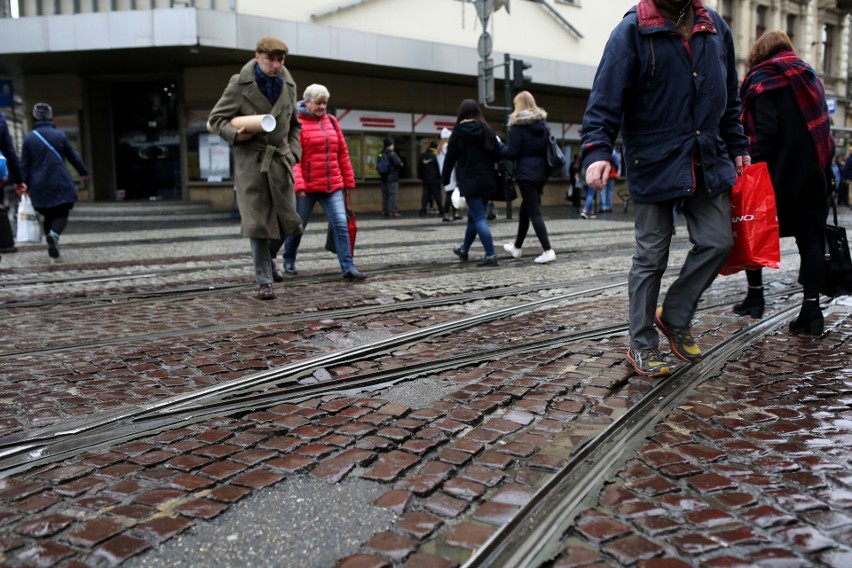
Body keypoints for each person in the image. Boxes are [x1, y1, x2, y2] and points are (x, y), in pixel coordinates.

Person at [581, 0, 751, 377]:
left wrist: (737, 145)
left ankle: (673, 314)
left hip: (707, 157)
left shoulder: (714, 26)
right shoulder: (633, 30)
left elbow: (729, 96)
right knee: (651, 256)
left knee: (718, 241)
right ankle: (641, 344)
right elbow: (605, 96)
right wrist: (597, 150)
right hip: (654, 160)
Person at [732, 30, 833, 336]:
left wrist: (752, 169)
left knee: (753, 231)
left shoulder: (761, 80)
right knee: (810, 241)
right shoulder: (809, 78)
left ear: (758, 54)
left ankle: (756, 297)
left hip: (777, 174)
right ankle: (812, 311)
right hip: (813, 175)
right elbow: (823, 129)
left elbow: (768, 131)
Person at [208, 36, 303, 300]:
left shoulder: (289, 84)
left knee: (289, 222)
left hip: (281, 160)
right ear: (257, 56)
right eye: (270, 59)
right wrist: (234, 135)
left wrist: (294, 152)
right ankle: (264, 281)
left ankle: (270, 258)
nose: (276, 65)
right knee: (258, 224)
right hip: (252, 162)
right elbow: (216, 119)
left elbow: (296, 125)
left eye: (280, 60)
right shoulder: (240, 83)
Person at [282, 84, 366, 281]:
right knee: (298, 226)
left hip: (332, 185)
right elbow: (295, 158)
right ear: (307, 102)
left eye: (325, 103)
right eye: (318, 103)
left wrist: (348, 180)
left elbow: (342, 153)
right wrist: (299, 184)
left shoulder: (332, 121)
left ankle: (348, 267)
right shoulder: (297, 123)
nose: (322, 107)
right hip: (308, 187)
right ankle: (288, 257)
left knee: (340, 223)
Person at [20, 103, 89, 260]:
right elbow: (73, 156)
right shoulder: (59, 135)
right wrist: (83, 172)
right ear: (50, 116)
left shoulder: (29, 138)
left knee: (48, 215)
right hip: (60, 180)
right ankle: (54, 235)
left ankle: (51, 240)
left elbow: (24, 165)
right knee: (62, 212)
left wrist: (23, 184)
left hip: (39, 184)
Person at [441, 99, 502, 266]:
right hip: (487, 180)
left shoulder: (458, 132)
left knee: (479, 217)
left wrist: (445, 178)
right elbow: (498, 154)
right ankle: (464, 249)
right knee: (474, 216)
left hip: (470, 180)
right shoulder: (487, 130)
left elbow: (450, 158)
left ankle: (491, 255)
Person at [499, 90, 556, 264]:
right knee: (526, 209)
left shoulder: (518, 126)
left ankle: (547, 250)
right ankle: (516, 248)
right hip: (541, 174)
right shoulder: (543, 125)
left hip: (526, 174)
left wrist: (499, 145)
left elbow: (513, 153)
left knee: (534, 213)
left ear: (520, 105)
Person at [417, 140, 444, 219]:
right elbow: (440, 168)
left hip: (426, 180)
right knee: (438, 196)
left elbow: (419, 168)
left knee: (425, 196)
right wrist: (441, 179)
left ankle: (423, 211)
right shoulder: (436, 156)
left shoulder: (423, 155)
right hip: (435, 180)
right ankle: (441, 211)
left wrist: (421, 177)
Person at [437, 127, 459, 222]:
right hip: (450, 174)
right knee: (450, 195)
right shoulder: (446, 147)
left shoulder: (440, 148)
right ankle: (446, 214)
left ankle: (454, 213)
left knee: (451, 194)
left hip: (447, 174)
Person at [379, 137, 403, 217]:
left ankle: (385, 210)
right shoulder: (392, 154)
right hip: (392, 178)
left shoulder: (381, 153)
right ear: (390, 145)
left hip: (383, 178)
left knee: (385, 196)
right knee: (393, 195)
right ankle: (394, 211)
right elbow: (399, 163)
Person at [600, 149, 621, 213]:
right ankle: (609, 206)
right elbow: (617, 164)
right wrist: (616, 171)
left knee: (602, 190)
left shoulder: (602, 152)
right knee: (610, 190)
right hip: (612, 174)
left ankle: (603, 207)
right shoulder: (614, 153)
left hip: (603, 174)